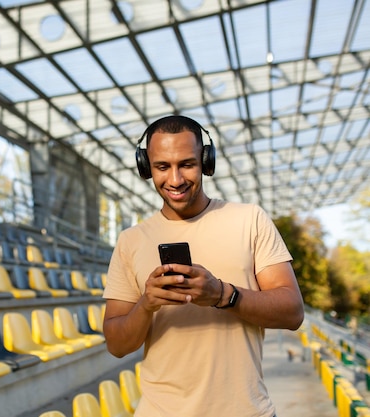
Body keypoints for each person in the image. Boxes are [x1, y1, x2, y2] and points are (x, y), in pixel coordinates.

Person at [102, 115, 304, 417]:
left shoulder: (249, 219)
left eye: (186, 164)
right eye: (162, 166)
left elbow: (292, 311)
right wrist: (147, 304)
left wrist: (223, 295)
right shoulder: (131, 241)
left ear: (206, 162)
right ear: (146, 168)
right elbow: (117, 344)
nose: (175, 179)